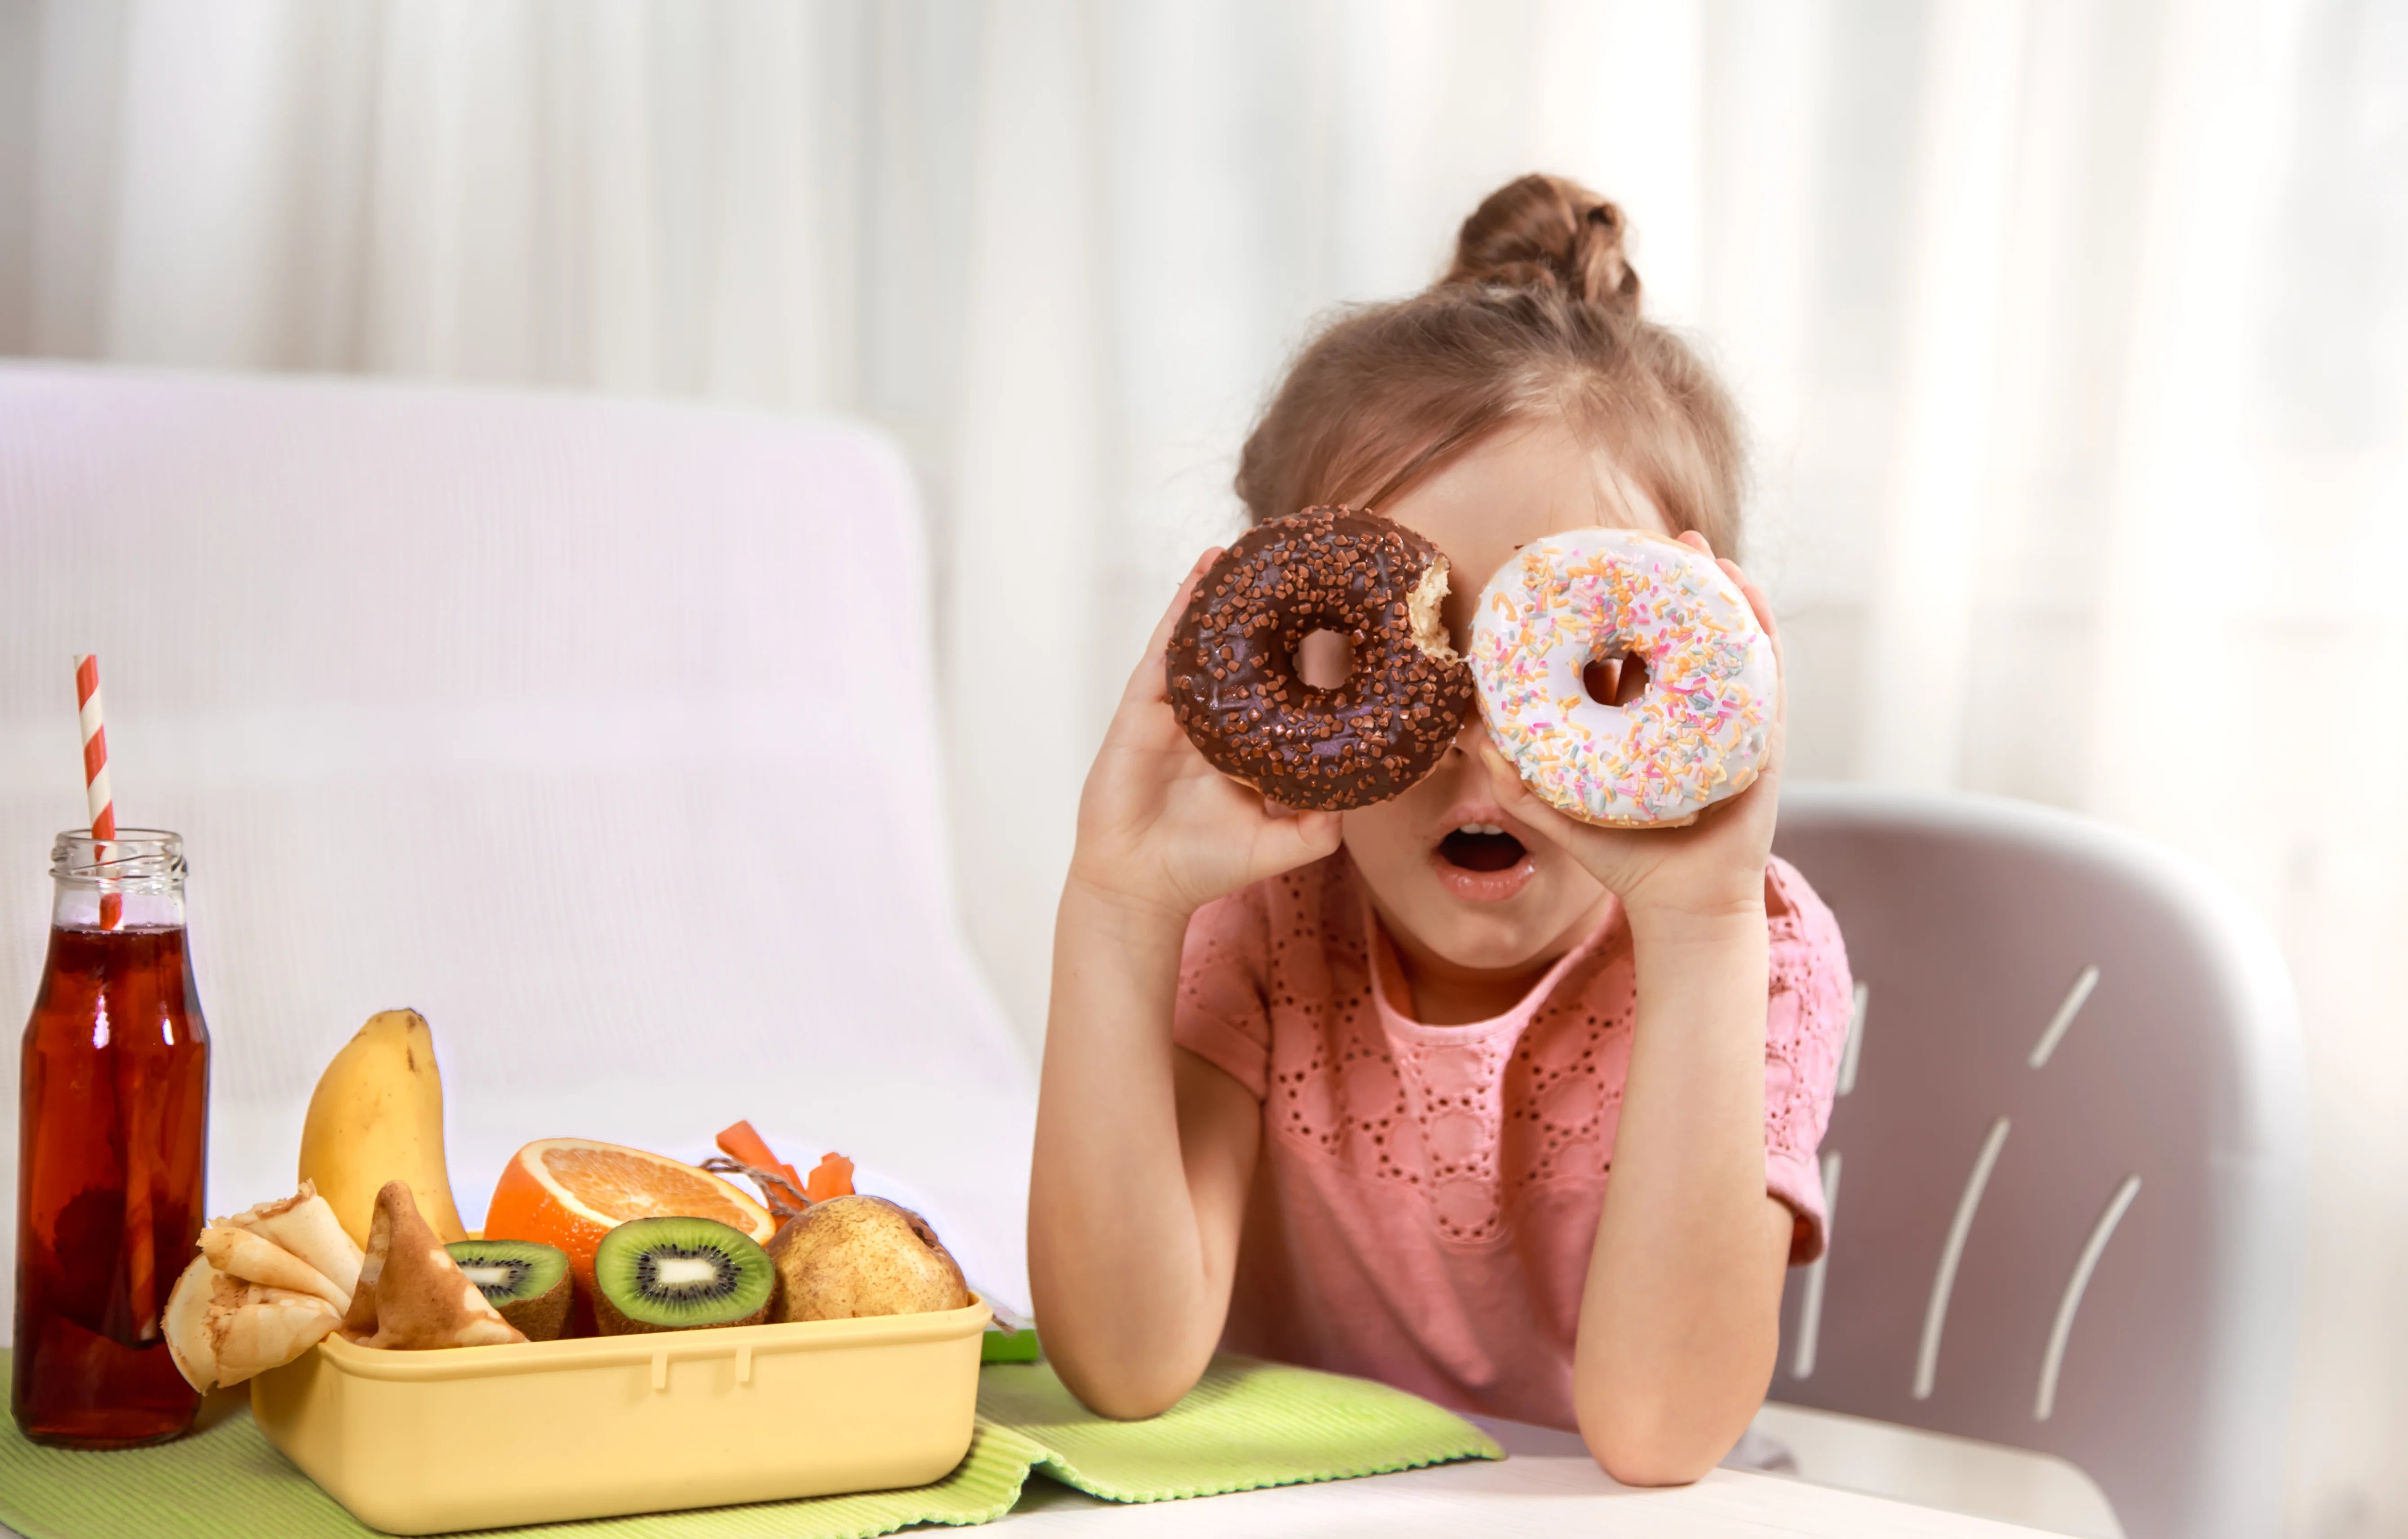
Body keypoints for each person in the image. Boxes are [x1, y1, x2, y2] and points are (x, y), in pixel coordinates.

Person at [1028, 173, 1852, 1486]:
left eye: (1579, 666)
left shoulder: (1755, 949)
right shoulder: (1270, 923)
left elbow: (1657, 1436)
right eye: (1387, 659)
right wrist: (1118, 905)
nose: (1477, 739)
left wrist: (1697, 927)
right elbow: (1124, 1361)